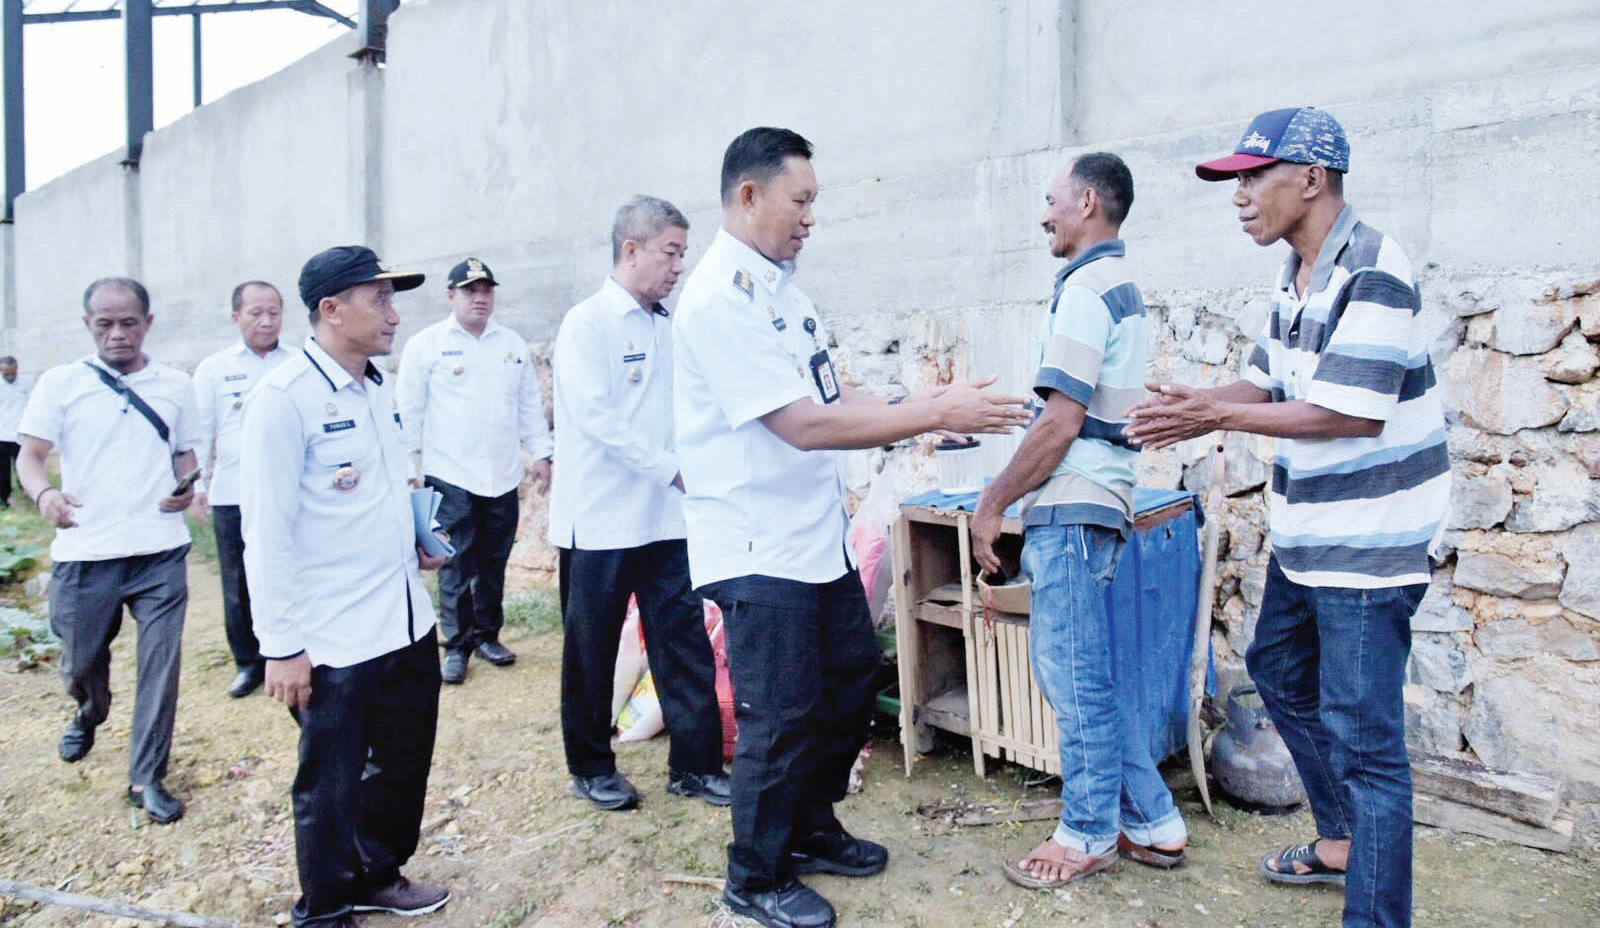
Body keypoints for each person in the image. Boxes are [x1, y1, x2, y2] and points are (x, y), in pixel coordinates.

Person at [673, 126, 1033, 928]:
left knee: (845, 687)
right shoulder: (717, 302)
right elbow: (800, 426)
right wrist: (931, 410)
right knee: (780, 715)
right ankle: (755, 878)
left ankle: (810, 826)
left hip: (810, 539)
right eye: (800, 201)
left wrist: (922, 417)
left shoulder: (784, 294)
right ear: (748, 196)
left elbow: (835, 401)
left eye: (814, 202)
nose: (810, 218)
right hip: (756, 545)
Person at [1124, 107, 1450, 928]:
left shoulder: (1375, 266)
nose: (1239, 196)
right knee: (1276, 670)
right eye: (1234, 180)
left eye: (1253, 176)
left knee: (1369, 745)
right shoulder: (1298, 273)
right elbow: (1269, 385)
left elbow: (1349, 412)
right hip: (1311, 537)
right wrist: (1197, 405)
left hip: (1369, 553)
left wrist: (1213, 417)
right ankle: (1341, 841)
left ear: (1311, 179)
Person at [970, 153, 1187, 889]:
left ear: (1088, 202)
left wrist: (992, 502)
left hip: (1073, 502)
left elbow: (1060, 422)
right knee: (1086, 674)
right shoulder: (1114, 286)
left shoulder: (1089, 289)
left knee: (1072, 678)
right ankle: (1155, 821)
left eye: (1051, 199)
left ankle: (1087, 830)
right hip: (1101, 501)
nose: (1043, 214)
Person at [242, 246, 453, 927]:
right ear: (331, 310)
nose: (394, 314)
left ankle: (379, 873)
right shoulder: (282, 400)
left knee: (403, 763)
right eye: (380, 299)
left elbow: (381, 491)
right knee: (329, 784)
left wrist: (416, 538)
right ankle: (326, 908)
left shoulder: (374, 387)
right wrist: (281, 647)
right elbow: (267, 532)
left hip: (404, 619)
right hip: (333, 635)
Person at [550, 195, 728, 812]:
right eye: (670, 252)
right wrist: (673, 469)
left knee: (682, 641)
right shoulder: (587, 323)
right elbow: (597, 421)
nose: (679, 266)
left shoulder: (666, 326)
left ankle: (697, 766)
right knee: (592, 650)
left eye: (683, 253)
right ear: (632, 250)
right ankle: (591, 765)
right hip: (600, 521)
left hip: (666, 520)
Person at [16, 277, 200, 824]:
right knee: (80, 664)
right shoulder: (60, 383)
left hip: (159, 552)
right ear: (88, 325)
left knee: (160, 670)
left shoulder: (175, 385)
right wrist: (45, 493)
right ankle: (88, 712)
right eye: (105, 324)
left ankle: (147, 778)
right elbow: (29, 456)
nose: (118, 334)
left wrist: (187, 486)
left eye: (129, 323)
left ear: (148, 323)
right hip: (85, 553)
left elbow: (185, 452)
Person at [396, 257, 552, 685]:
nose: (480, 299)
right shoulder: (426, 345)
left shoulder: (511, 344)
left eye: (486, 291)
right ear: (451, 296)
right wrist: (407, 467)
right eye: (469, 291)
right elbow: (408, 412)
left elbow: (528, 407)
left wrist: (541, 454)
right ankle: (457, 644)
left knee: (493, 561)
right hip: (450, 475)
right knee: (453, 562)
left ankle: (487, 635)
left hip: (500, 474)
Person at [189, 280, 293, 698]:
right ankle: (248, 662)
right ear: (237, 317)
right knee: (238, 581)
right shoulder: (214, 369)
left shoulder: (301, 361)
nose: (267, 321)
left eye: (274, 312)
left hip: (288, 491)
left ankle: (289, 650)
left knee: (289, 570)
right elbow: (199, 434)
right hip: (233, 491)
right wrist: (198, 485)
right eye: (256, 313)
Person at [0, 356, 32, 508]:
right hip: (2, 435)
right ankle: (3, 499)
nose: (11, 377)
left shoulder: (27, 382)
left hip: (21, 434)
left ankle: (30, 493)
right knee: (2, 471)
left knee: (25, 466)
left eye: (13, 373)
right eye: (7, 374)